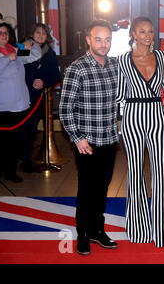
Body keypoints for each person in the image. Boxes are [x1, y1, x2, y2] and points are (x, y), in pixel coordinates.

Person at [59, 19, 119, 255]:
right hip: (87, 142)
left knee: (103, 187)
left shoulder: (115, 65)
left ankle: (97, 230)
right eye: (98, 39)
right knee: (87, 189)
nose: (104, 44)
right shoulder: (77, 68)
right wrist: (77, 138)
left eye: (107, 39)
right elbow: (65, 109)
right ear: (87, 40)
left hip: (110, 139)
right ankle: (82, 234)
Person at [116, 17, 164, 247]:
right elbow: (120, 94)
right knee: (135, 172)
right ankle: (138, 228)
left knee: (160, 172)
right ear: (133, 34)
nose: (148, 35)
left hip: (156, 116)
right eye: (142, 31)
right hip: (132, 117)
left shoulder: (162, 57)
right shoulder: (123, 60)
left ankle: (161, 231)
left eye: (150, 31)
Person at [0, 22, 34, 186]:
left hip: (18, 104)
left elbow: (34, 54)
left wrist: (26, 45)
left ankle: (10, 172)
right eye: (0, 33)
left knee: (14, 142)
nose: (4, 35)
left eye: (6, 33)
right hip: (0, 106)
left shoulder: (14, 49)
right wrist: (6, 59)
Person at [20, 23, 60, 172]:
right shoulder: (24, 48)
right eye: (38, 32)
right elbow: (17, 67)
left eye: (43, 33)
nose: (40, 35)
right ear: (32, 33)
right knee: (21, 129)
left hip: (38, 98)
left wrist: (43, 81)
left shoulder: (50, 53)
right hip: (22, 95)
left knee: (31, 129)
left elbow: (55, 75)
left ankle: (26, 159)